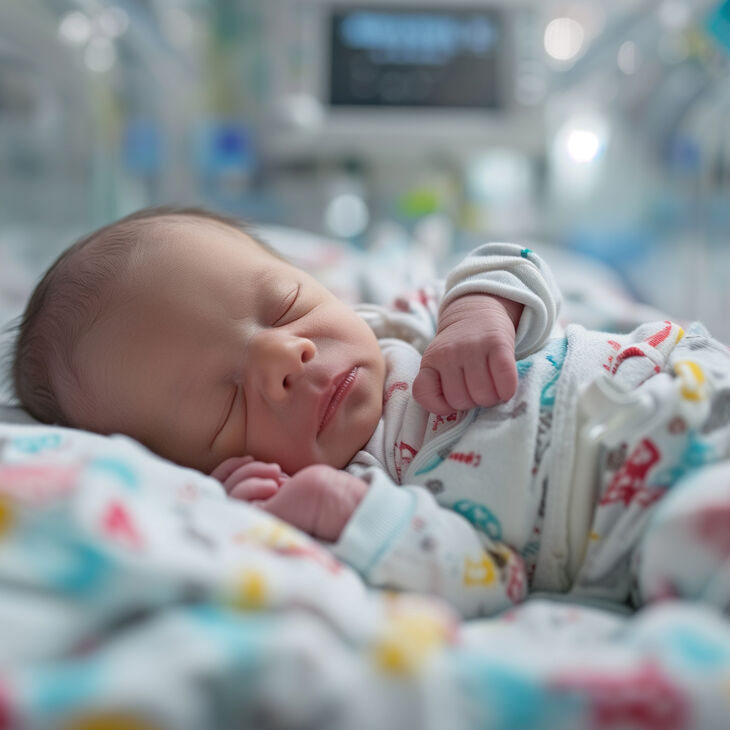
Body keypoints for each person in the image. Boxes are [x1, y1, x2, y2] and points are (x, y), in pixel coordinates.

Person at [11, 206, 730, 618]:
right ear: (200, 468)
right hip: (651, 518)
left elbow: (511, 262)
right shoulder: (356, 497)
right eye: (227, 401)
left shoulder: (406, 325)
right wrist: (350, 516)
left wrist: (480, 310)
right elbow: (487, 579)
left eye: (284, 306)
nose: (284, 358)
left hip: (691, 376)